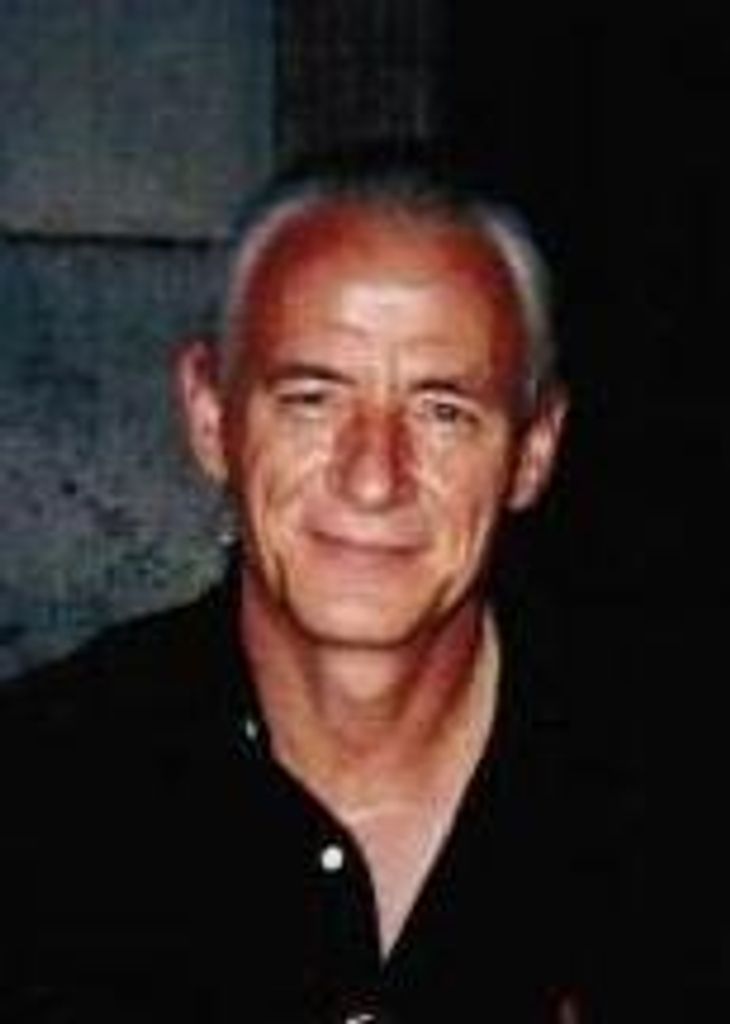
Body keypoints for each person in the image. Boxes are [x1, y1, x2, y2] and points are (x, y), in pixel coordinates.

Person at [0, 153, 636, 1022]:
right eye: (312, 398)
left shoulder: (667, 804)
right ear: (209, 415)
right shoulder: (38, 793)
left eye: (443, 411)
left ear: (534, 451)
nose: (373, 477)